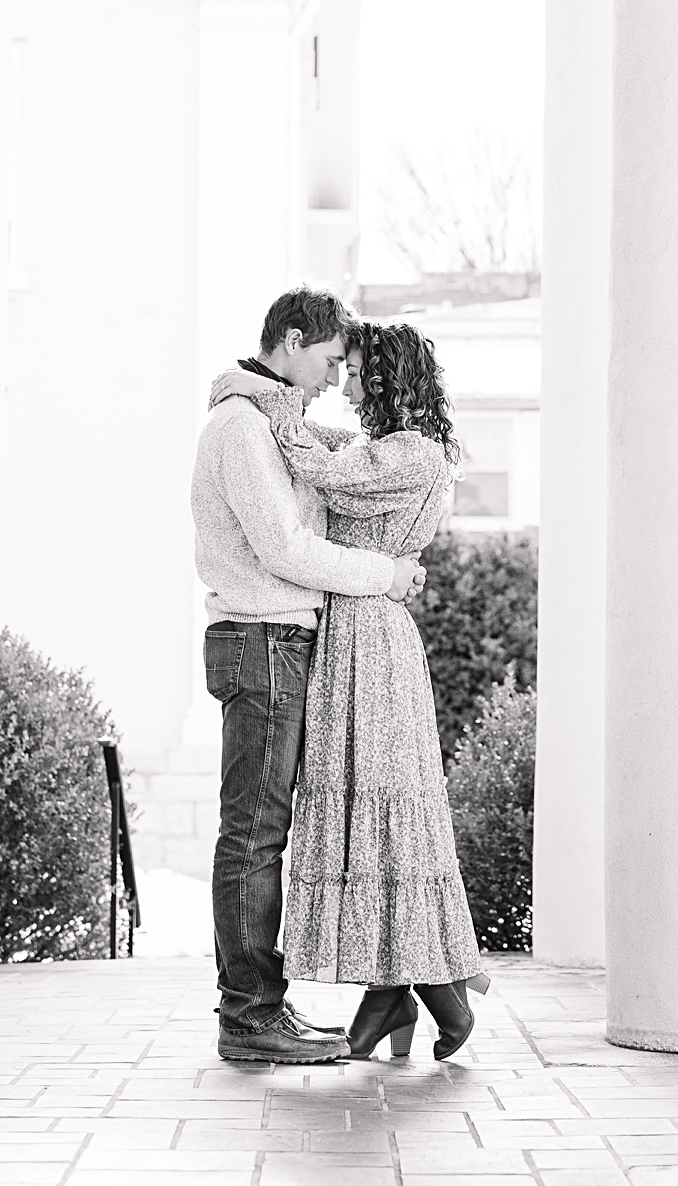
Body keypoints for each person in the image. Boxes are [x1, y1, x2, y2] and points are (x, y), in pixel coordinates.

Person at [210, 317, 489, 1063]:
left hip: (373, 642)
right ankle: (392, 996)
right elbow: (332, 454)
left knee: (384, 814)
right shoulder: (382, 448)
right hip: (347, 635)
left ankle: (431, 992)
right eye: (344, 367)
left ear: (394, 380)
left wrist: (262, 397)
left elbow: (316, 461)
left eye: (362, 373)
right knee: (360, 813)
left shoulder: (408, 453)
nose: (348, 384)